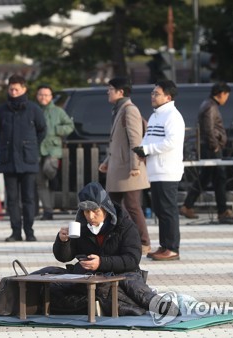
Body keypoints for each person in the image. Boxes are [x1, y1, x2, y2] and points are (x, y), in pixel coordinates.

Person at [51, 181, 160, 315]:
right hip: (88, 278)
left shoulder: (125, 225)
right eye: (86, 212)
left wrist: (101, 263)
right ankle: (102, 306)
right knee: (54, 282)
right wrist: (63, 241)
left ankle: (158, 305)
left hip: (121, 275)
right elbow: (64, 257)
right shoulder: (81, 226)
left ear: (106, 208)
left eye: (95, 211)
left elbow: (132, 259)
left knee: (131, 288)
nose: (90, 216)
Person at [98, 77, 151, 255]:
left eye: (110, 89)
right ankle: (115, 241)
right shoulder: (120, 109)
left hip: (129, 170)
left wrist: (135, 166)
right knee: (111, 206)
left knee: (132, 206)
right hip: (119, 168)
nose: (108, 92)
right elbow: (117, 142)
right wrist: (106, 162)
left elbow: (135, 140)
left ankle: (144, 242)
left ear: (120, 92)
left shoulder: (130, 110)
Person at [134, 80, 185, 261]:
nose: (152, 96)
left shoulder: (173, 116)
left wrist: (147, 150)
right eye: (152, 93)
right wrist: (141, 149)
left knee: (168, 210)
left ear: (168, 97)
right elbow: (148, 137)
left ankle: (172, 248)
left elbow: (172, 142)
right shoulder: (156, 115)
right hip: (155, 171)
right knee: (159, 210)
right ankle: (164, 245)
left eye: (157, 93)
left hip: (167, 170)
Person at [0, 74, 46, 242]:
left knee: (29, 198)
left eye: (17, 89)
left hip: (28, 159)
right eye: (11, 89)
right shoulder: (2, 110)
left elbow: (42, 130)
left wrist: (30, 144)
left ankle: (29, 231)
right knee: (12, 199)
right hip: (9, 160)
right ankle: (15, 231)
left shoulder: (33, 109)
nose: (13, 92)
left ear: (24, 89)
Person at [180, 82, 233, 222]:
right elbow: (208, 129)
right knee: (220, 177)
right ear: (221, 93)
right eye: (227, 95)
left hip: (209, 147)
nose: (227, 98)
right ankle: (222, 211)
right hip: (211, 148)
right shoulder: (210, 106)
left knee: (206, 177)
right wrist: (215, 146)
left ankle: (188, 206)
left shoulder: (209, 104)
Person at [36, 84, 74, 220]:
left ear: (51, 97)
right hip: (37, 149)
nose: (43, 97)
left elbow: (70, 126)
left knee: (49, 169)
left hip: (53, 148)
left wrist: (57, 130)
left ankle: (54, 179)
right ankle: (48, 210)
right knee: (40, 182)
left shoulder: (58, 111)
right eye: (41, 94)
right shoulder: (35, 110)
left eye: (46, 95)